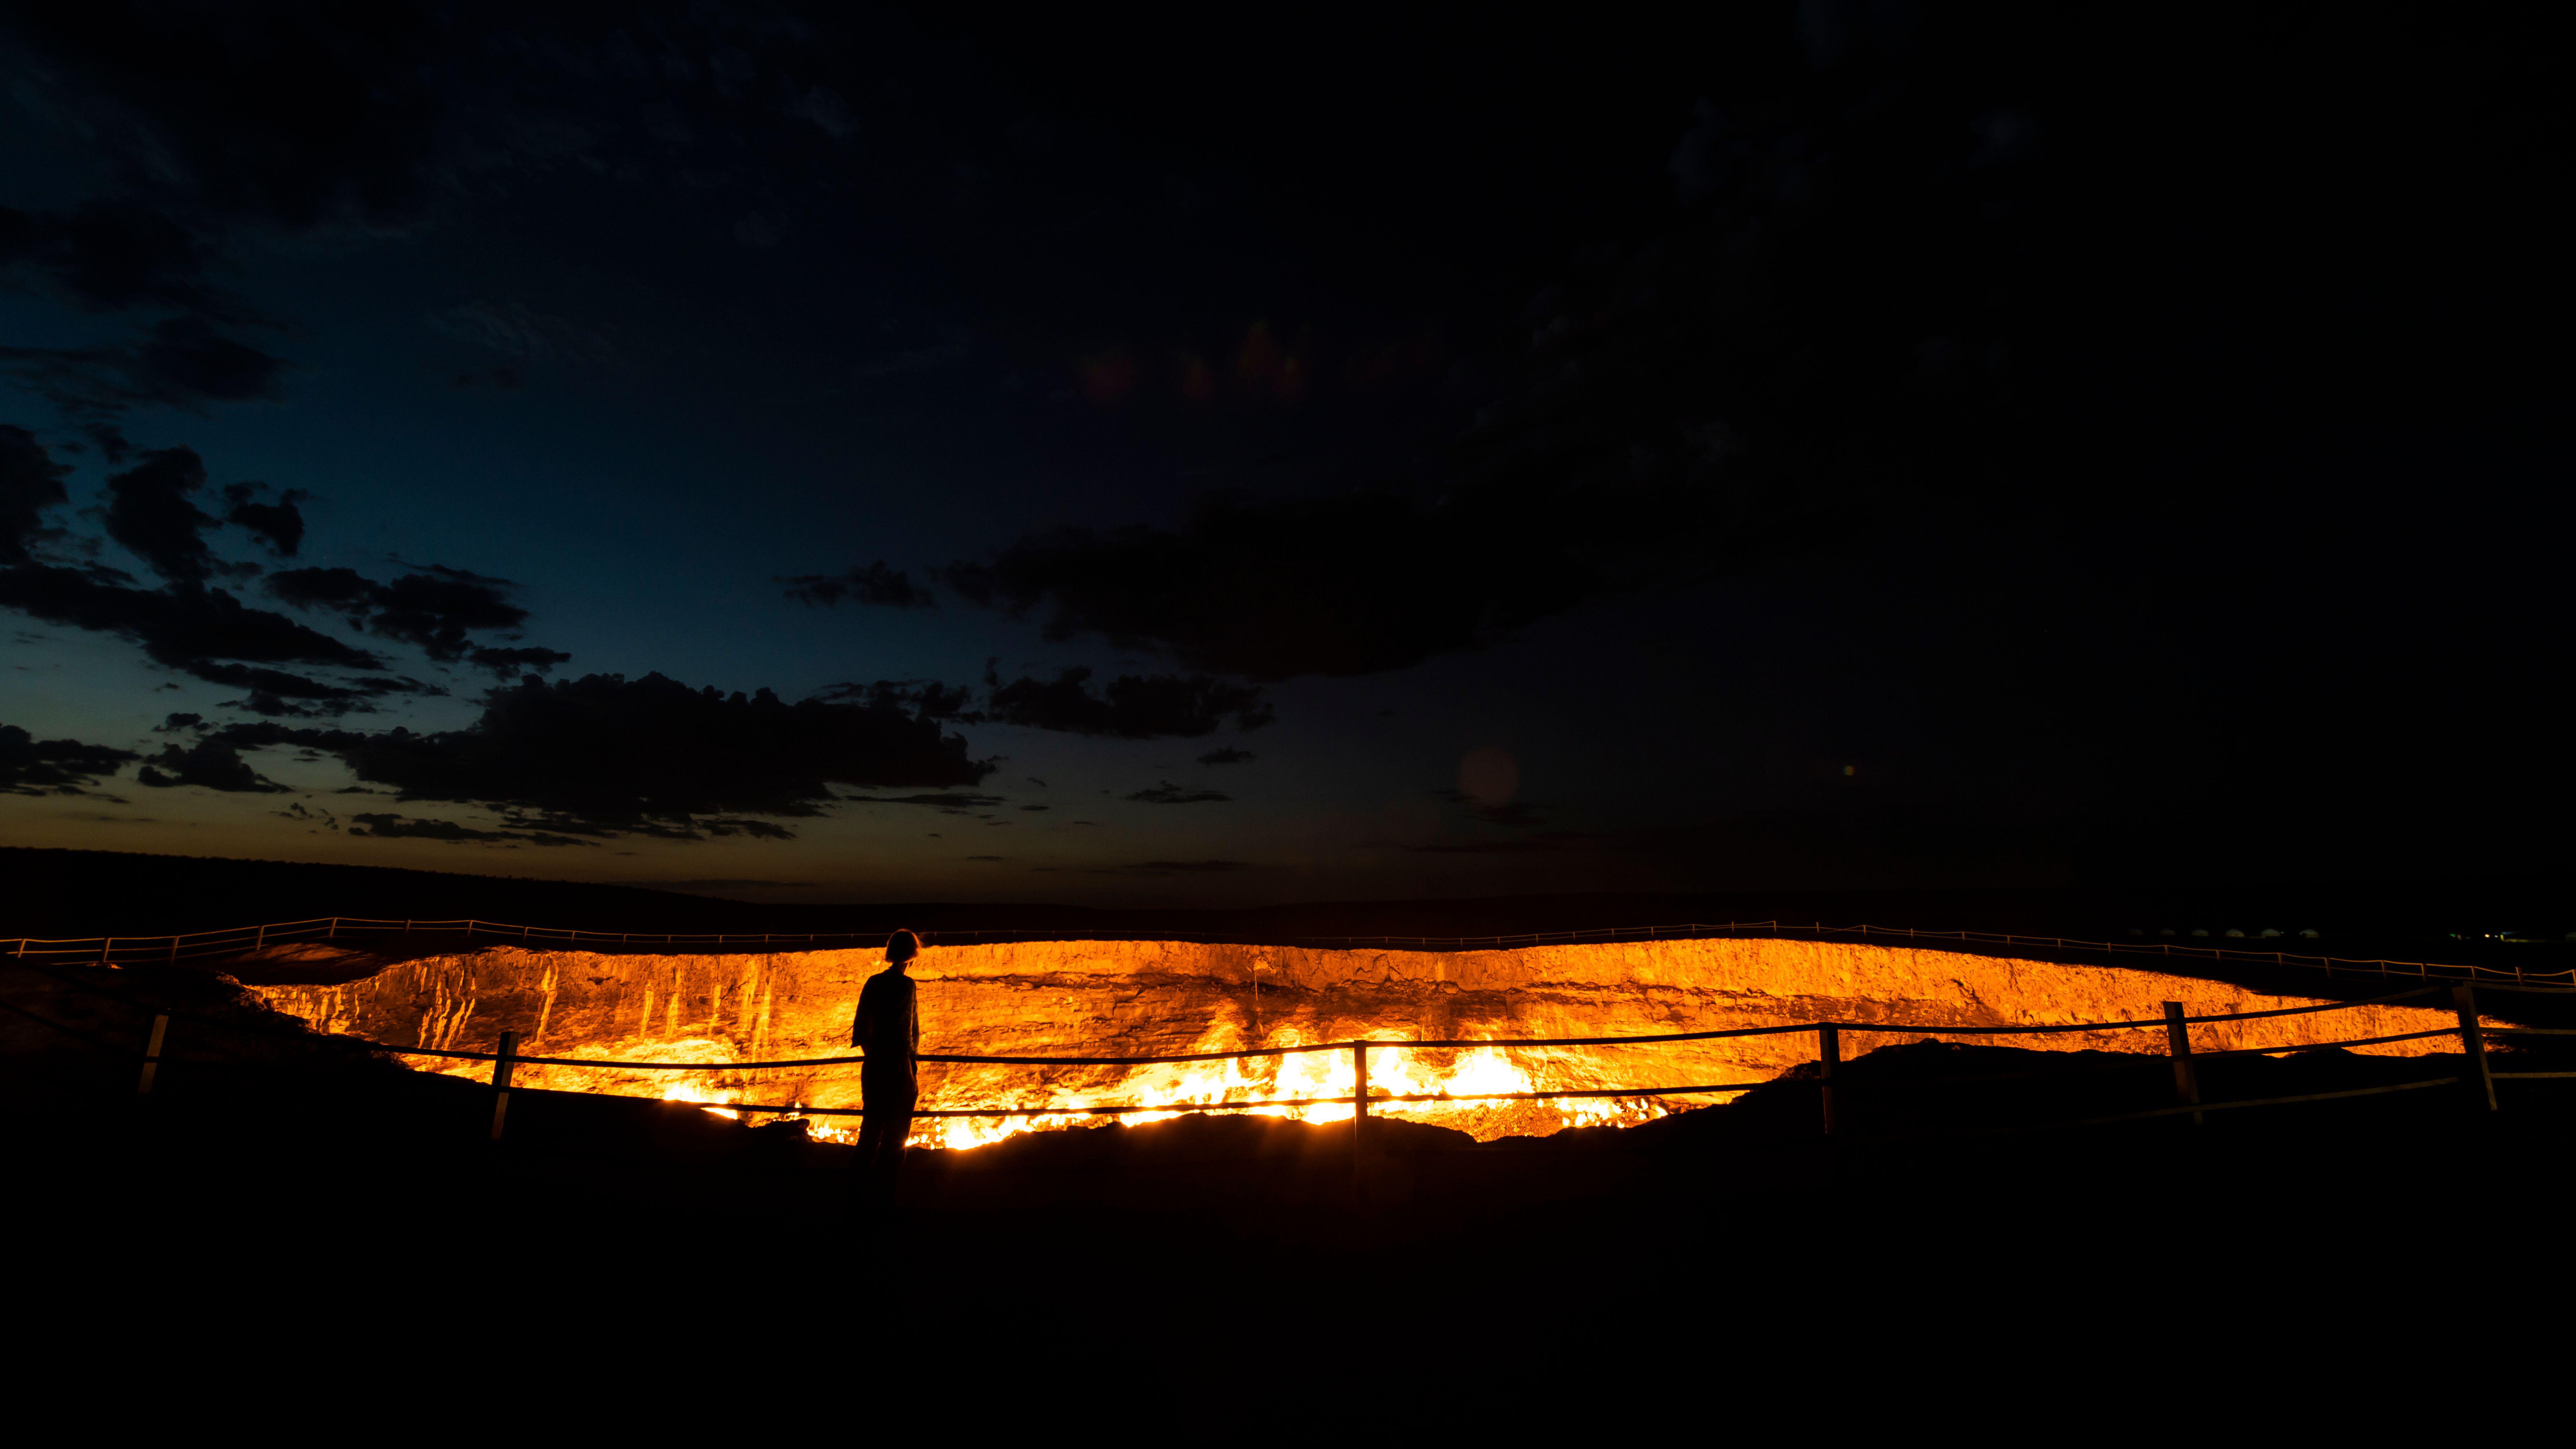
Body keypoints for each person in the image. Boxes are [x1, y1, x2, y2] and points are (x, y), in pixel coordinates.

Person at [850, 929, 923, 1209]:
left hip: (874, 1065)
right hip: (896, 1066)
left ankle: (856, 1194)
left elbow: (861, 1025)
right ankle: (884, 1199)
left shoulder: (873, 982)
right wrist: (907, 1064)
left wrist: (873, 1054)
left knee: (870, 1130)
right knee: (896, 1134)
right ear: (912, 956)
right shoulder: (906, 986)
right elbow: (905, 1029)